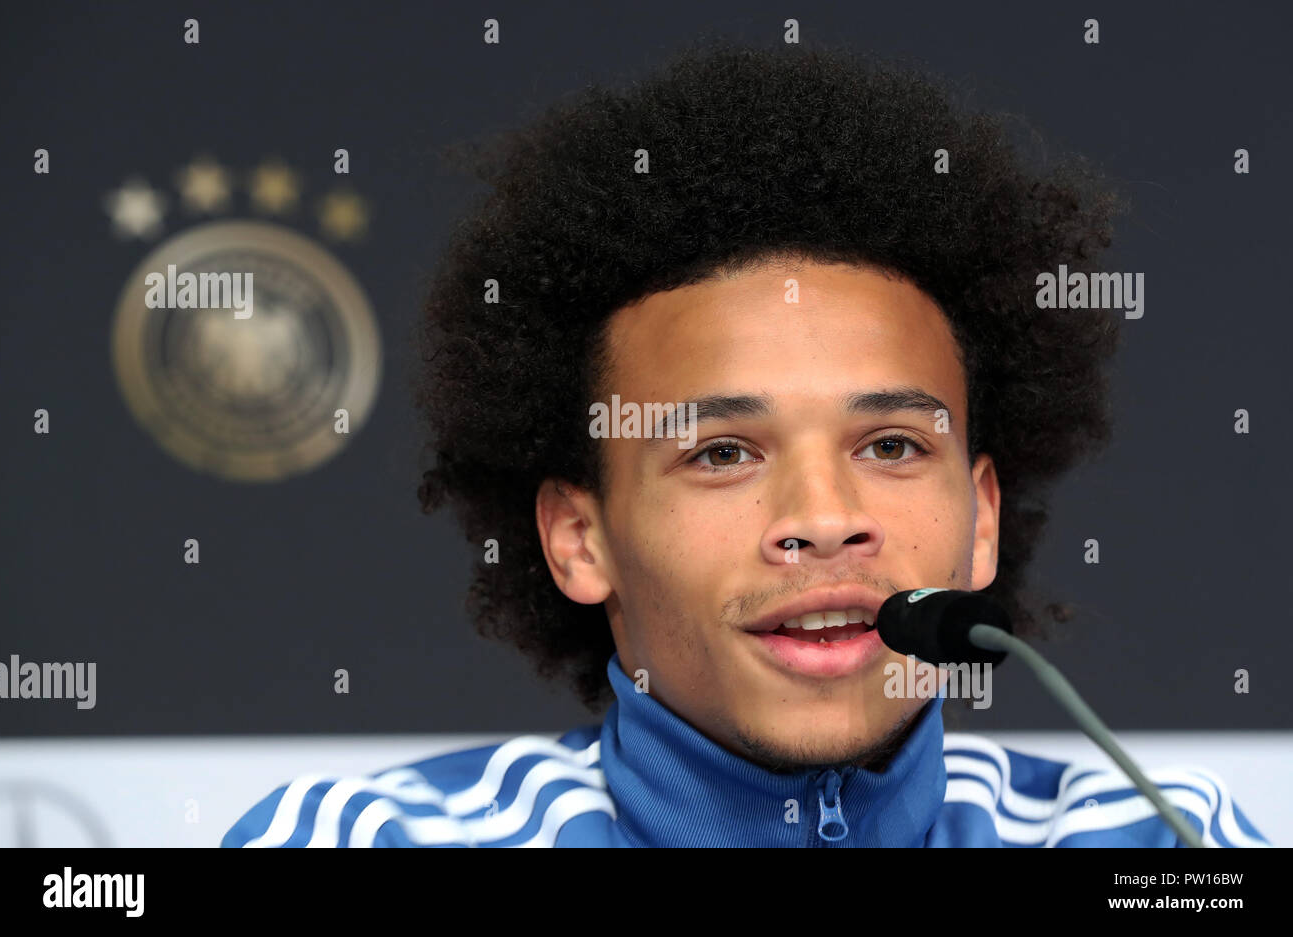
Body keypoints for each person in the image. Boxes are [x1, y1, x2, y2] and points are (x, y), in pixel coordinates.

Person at [223, 39, 1268, 847]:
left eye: (893, 446)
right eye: (722, 452)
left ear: (981, 518)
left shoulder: (1159, 845)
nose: (822, 521)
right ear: (579, 537)